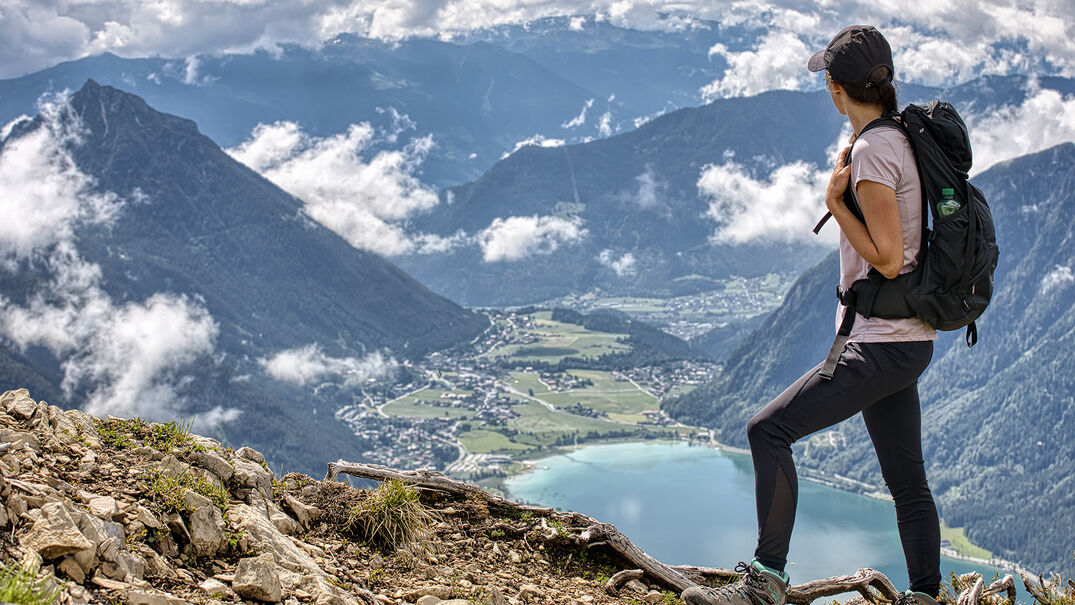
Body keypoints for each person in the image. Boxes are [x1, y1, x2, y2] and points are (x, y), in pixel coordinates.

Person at [682, 25, 942, 605]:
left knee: (768, 430)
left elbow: (889, 258)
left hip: (880, 343)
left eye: (827, 78)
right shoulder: (900, 136)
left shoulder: (874, 151)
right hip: (909, 338)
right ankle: (926, 595)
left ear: (835, 88)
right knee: (907, 481)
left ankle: (765, 584)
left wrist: (833, 204)